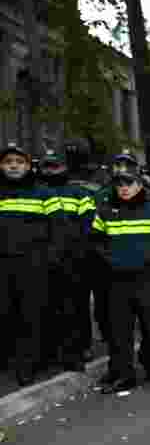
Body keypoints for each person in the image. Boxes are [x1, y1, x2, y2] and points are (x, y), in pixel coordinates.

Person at [89, 168, 150, 394]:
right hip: (117, 279)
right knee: (120, 331)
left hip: (148, 278)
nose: (124, 188)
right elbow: (96, 242)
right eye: (119, 184)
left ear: (139, 184)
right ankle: (123, 376)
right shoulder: (106, 211)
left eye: (129, 183)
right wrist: (110, 261)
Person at [0, 142, 54, 386]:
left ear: (28, 166)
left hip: (34, 265)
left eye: (19, 162)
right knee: (4, 313)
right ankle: (7, 362)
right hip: (2, 265)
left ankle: (29, 365)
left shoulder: (43, 193)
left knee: (31, 315)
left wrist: (49, 259)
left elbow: (59, 229)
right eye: (8, 162)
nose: (13, 166)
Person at [38, 149, 95, 372]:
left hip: (75, 259)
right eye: (47, 166)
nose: (51, 170)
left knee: (78, 306)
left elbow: (88, 225)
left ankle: (82, 346)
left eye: (55, 166)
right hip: (45, 259)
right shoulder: (37, 192)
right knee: (49, 306)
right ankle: (54, 350)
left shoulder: (79, 193)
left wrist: (79, 252)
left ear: (64, 168)